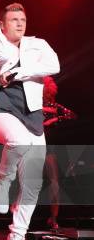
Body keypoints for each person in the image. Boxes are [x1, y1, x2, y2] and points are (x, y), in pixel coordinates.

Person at [0, 3, 60, 240]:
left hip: (33, 118)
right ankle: (2, 178)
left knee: (33, 186)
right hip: (0, 113)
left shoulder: (39, 43)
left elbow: (54, 65)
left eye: (23, 19)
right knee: (19, 140)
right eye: (13, 19)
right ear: (2, 25)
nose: (20, 23)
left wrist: (18, 74)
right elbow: (5, 55)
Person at [41, 76, 76, 230]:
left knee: (54, 183)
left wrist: (54, 120)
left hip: (50, 148)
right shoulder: (32, 103)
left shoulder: (55, 106)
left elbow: (72, 115)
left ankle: (53, 218)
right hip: (33, 144)